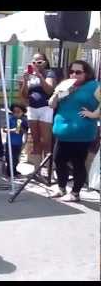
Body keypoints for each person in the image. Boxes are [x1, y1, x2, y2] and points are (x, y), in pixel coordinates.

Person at [49, 60, 101, 202]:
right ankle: (61, 188)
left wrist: (94, 114)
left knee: (78, 163)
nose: (74, 74)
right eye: (71, 71)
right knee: (59, 160)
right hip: (62, 133)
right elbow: (51, 104)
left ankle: (75, 193)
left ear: (87, 73)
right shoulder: (66, 84)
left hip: (81, 134)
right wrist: (58, 93)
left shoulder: (94, 86)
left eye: (78, 72)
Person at [19, 53, 56, 172]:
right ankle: (36, 169)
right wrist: (25, 81)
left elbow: (50, 90)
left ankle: (49, 169)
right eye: (33, 62)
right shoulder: (29, 75)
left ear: (45, 62)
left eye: (39, 62)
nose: (36, 65)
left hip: (45, 108)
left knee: (46, 140)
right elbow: (24, 95)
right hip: (32, 108)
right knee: (35, 139)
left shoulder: (49, 73)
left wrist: (40, 76)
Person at [3, 103, 29, 177]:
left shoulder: (24, 120)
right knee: (9, 158)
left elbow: (26, 131)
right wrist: (12, 130)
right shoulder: (10, 119)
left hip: (18, 143)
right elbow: (4, 129)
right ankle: (9, 172)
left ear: (23, 112)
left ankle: (14, 170)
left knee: (16, 159)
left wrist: (22, 130)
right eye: (14, 112)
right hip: (10, 143)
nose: (16, 114)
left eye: (18, 112)